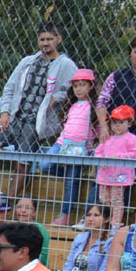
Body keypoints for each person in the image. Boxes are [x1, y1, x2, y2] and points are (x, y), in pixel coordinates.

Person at [0, 24, 77, 156]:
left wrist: (55, 98)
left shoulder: (66, 65)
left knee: (22, 161)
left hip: (35, 122)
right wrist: (5, 113)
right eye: (42, 39)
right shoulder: (27, 62)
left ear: (59, 39)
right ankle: (10, 159)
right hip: (14, 118)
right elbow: (9, 88)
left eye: (49, 39)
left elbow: (75, 91)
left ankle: (17, 161)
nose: (45, 43)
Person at [49, 68, 100, 224]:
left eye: (82, 85)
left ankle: (65, 215)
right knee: (45, 164)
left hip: (80, 146)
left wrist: (92, 144)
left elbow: (98, 129)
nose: (78, 89)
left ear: (91, 86)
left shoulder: (95, 107)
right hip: (63, 142)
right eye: (76, 85)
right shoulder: (71, 104)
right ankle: (67, 175)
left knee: (72, 181)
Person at [94, 105, 136, 231]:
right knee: (103, 200)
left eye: (121, 122)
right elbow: (98, 151)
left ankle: (115, 224)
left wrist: (119, 156)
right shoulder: (107, 138)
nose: (117, 126)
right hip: (105, 175)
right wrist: (101, 160)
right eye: (114, 122)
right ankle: (104, 222)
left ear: (129, 123)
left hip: (120, 175)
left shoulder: (131, 138)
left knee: (116, 200)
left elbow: (135, 153)